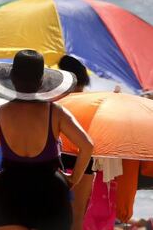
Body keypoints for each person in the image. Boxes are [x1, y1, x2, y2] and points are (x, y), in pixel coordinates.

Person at [0, 49, 94, 230]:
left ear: (12, 79)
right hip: (50, 190)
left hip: (8, 190)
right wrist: (73, 179)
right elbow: (87, 146)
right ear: (41, 81)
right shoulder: (55, 112)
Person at [58, 55, 96, 230]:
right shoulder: (94, 102)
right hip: (85, 160)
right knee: (78, 215)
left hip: (58, 158)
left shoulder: (56, 101)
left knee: (52, 213)